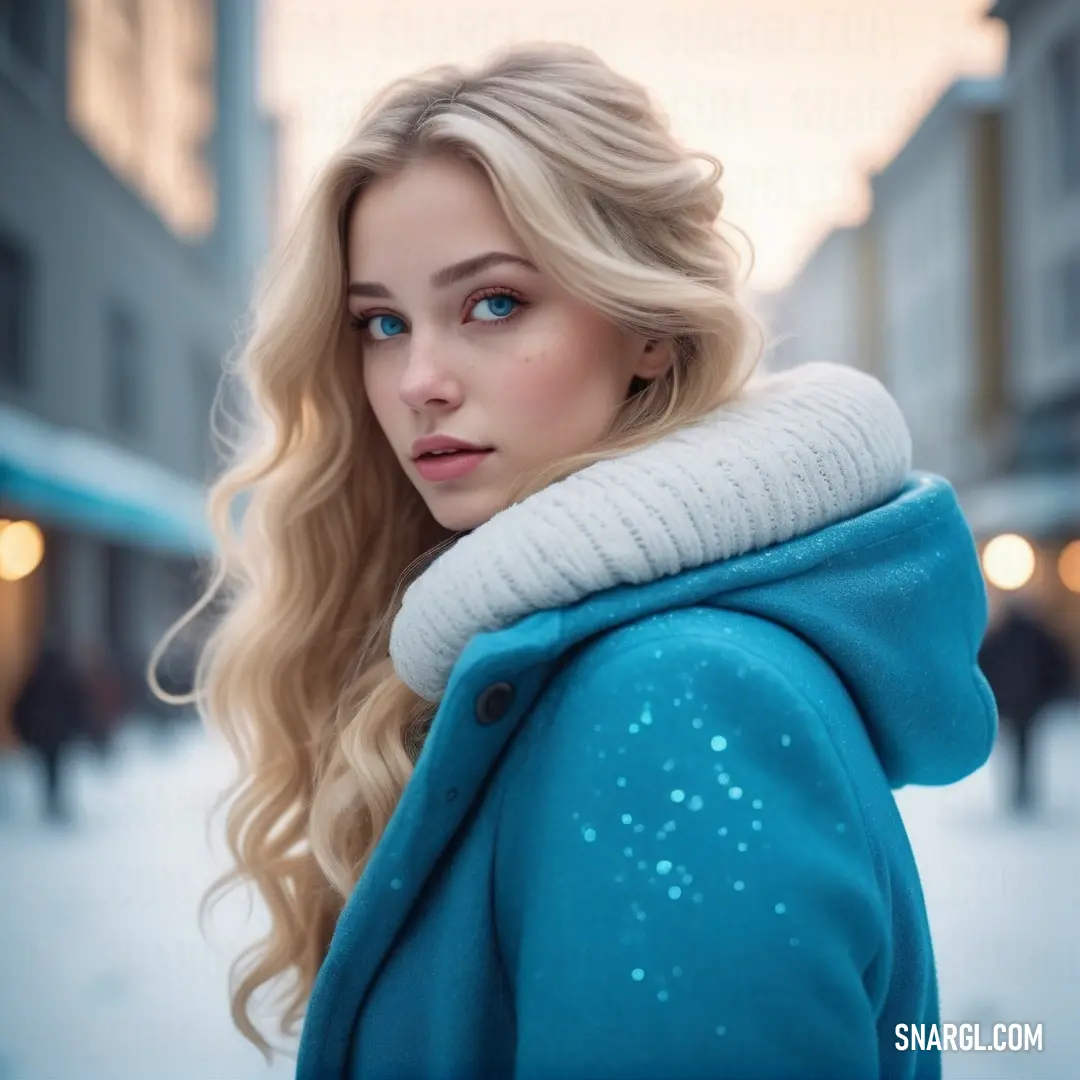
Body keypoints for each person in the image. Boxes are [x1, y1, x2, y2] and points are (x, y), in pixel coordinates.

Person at [155, 43, 997, 1080]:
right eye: (380, 322)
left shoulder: (674, 698)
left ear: (645, 325)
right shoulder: (571, 661)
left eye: (494, 303)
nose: (417, 379)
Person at [979, 600, 1075, 814]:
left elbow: (984, 665)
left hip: (1016, 703)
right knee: (1025, 748)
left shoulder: (1003, 637)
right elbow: (1059, 664)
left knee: (1017, 748)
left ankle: (1018, 792)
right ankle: (1023, 792)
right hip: (1028, 703)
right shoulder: (1038, 637)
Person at [12, 637, 88, 824]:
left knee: (49, 771)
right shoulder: (63, 679)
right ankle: (55, 804)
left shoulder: (36, 679)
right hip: (56, 735)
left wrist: (24, 732)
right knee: (56, 770)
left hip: (44, 735)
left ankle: (52, 803)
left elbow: (20, 707)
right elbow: (77, 706)